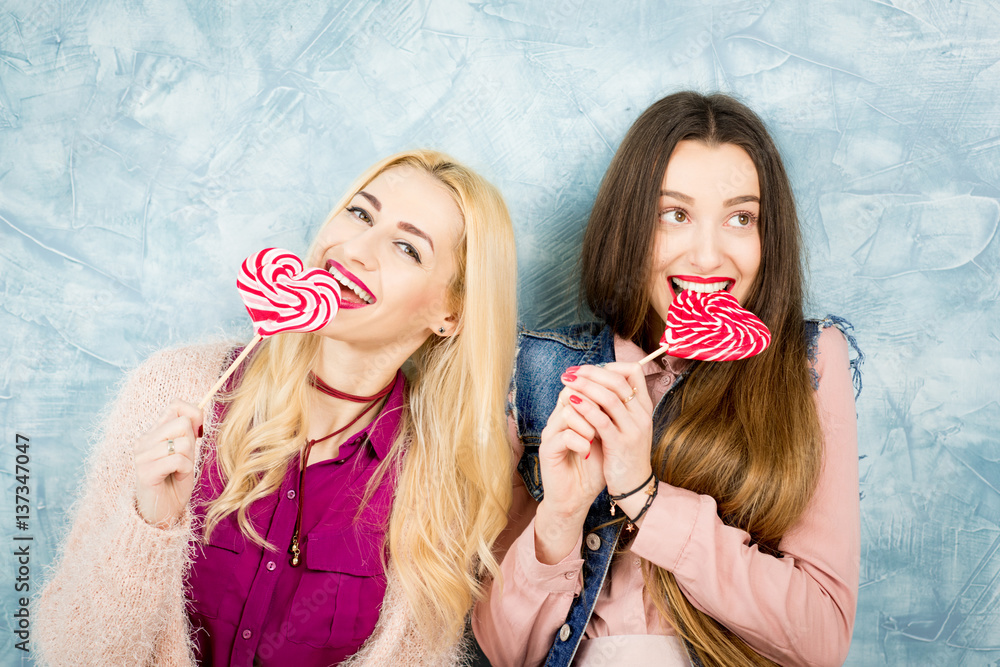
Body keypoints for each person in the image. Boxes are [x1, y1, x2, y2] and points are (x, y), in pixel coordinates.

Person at [35, 149, 518, 666]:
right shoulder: (174, 390)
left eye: (406, 247)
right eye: (360, 213)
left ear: (449, 313)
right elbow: (69, 652)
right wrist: (147, 529)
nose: (356, 248)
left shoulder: (441, 486)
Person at [473, 92, 862, 667]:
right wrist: (560, 515)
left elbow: (821, 640)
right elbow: (504, 654)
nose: (707, 256)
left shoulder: (805, 363)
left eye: (740, 217)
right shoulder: (535, 369)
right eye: (674, 214)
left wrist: (643, 497)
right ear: (630, 225)